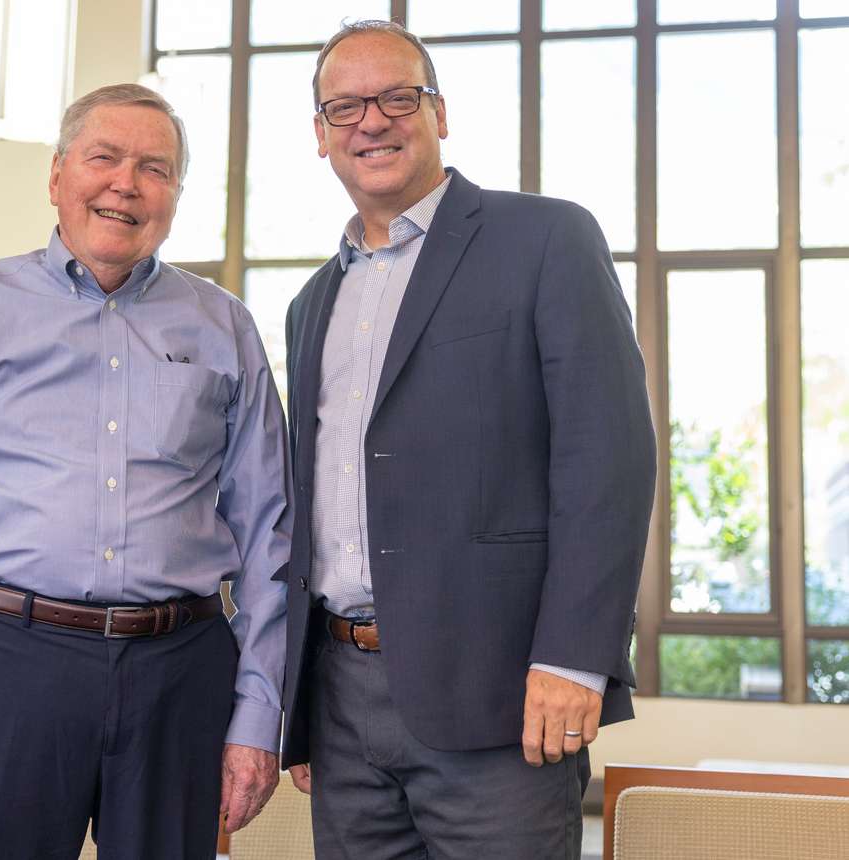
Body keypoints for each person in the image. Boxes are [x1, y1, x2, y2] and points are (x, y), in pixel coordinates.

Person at [0, 84, 290, 859]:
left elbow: (270, 537)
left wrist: (257, 717)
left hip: (180, 673)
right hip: (3, 665)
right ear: (57, 177)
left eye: (155, 168)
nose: (127, 182)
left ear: (177, 196)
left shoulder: (225, 327)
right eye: (104, 158)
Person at [279, 20, 656, 859]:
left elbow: (610, 463)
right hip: (342, 702)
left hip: (503, 697)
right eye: (345, 106)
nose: (370, 121)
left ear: (438, 113)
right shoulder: (312, 304)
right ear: (320, 135)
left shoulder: (546, 240)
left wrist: (575, 658)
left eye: (397, 97)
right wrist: (300, 707)